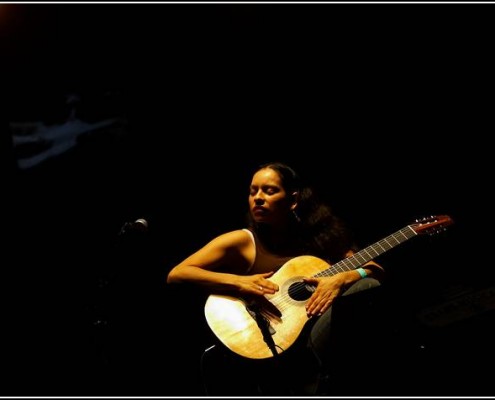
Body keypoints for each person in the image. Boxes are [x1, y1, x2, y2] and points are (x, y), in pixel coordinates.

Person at [166, 161, 385, 395]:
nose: (258, 198)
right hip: (271, 339)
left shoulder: (323, 237)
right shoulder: (243, 241)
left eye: (269, 191)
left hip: (318, 334)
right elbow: (178, 274)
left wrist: (343, 278)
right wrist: (240, 282)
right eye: (253, 191)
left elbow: (373, 269)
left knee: (366, 284)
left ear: (293, 201)